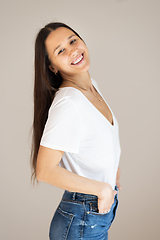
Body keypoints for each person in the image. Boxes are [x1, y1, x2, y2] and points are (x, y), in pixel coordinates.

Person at [31, 22, 121, 240]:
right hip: (82, 219)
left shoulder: (92, 87)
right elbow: (44, 170)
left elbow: (101, 140)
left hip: (92, 216)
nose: (72, 50)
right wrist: (102, 189)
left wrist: (113, 175)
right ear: (52, 66)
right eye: (60, 50)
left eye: (73, 40)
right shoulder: (69, 102)